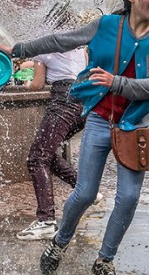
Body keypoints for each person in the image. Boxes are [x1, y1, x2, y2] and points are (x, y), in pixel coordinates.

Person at [4, 0, 149, 275]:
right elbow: (61, 40)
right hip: (99, 118)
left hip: (135, 126)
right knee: (84, 192)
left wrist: (117, 83)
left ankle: (104, 261)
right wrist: (20, 49)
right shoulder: (106, 26)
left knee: (128, 198)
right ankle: (59, 243)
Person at [14, 49, 105, 241]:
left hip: (63, 101)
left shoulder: (43, 49)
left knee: (37, 159)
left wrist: (27, 84)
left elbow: (37, 84)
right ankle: (88, 191)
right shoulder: (80, 48)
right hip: (84, 103)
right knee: (45, 153)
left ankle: (46, 221)